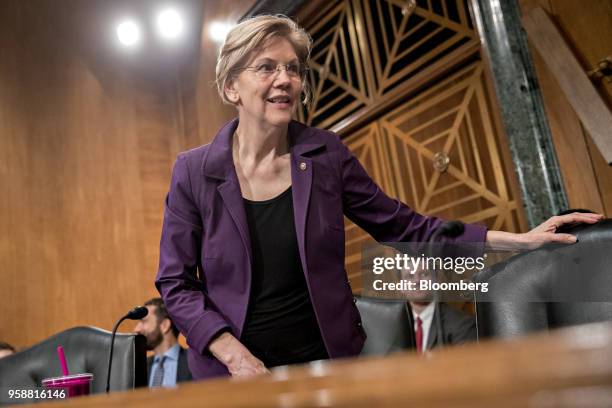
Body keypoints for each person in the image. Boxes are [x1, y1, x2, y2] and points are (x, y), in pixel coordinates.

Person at [155, 15, 603, 380]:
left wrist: (519, 240)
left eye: (293, 68)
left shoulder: (325, 154)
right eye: (267, 67)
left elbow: (408, 228)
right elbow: (176, 282)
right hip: (234, 371)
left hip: (327, 363)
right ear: (232, 86)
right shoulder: (194, 172)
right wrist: (232, 354)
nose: (286, 79)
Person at [402, 268, 476, 353]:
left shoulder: (463, 324)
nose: (417, 281)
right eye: (409, 276)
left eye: (424, 274)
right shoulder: (393, 326)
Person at [134, 298, 192, 387]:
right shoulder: (138, 368)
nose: (136, 329)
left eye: (143, 321)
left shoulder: (194, 362)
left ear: (164, 325)